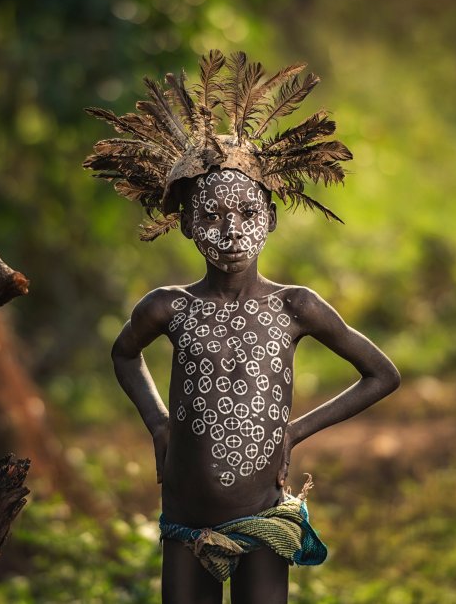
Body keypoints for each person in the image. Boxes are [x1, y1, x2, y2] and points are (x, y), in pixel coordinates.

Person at [85, 50, 400, 604]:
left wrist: (293, 431)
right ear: (186, 225)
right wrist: (159, 425)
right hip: (185, 522)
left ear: (270, 218)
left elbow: (381, 373)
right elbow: (123, 354)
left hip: (262, 522)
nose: (231, 231)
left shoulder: (295, 307)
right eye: (211, 216)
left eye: (248, 215)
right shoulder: (170, 308)